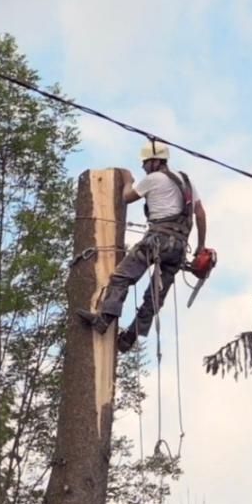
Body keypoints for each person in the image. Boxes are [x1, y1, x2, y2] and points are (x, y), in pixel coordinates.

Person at [77, 140, 208, 352]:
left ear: (156, 162)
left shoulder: (153, 179)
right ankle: (129, 338)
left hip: (157, 240)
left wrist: (128, 180)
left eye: (146, 162)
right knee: (155, 297)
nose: (143, 167)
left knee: (122, 276)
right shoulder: (187, 181)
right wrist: (201, 247)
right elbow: (200, 214)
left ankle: (104, 319)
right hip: (179, 248)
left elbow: (127, 197)